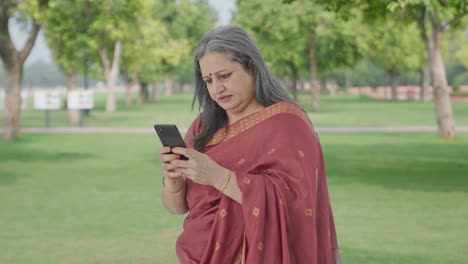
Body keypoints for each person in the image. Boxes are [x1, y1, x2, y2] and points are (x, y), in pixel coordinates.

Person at [158, 25, 341, 264]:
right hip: (199, 255)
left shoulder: (286, 123)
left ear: (252, 67)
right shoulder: (203, 126)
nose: (216, 88)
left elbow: (296, 203)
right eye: (208, 80)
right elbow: (178, 208)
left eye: (225, 76)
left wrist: (217, 176)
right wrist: (173, 181)